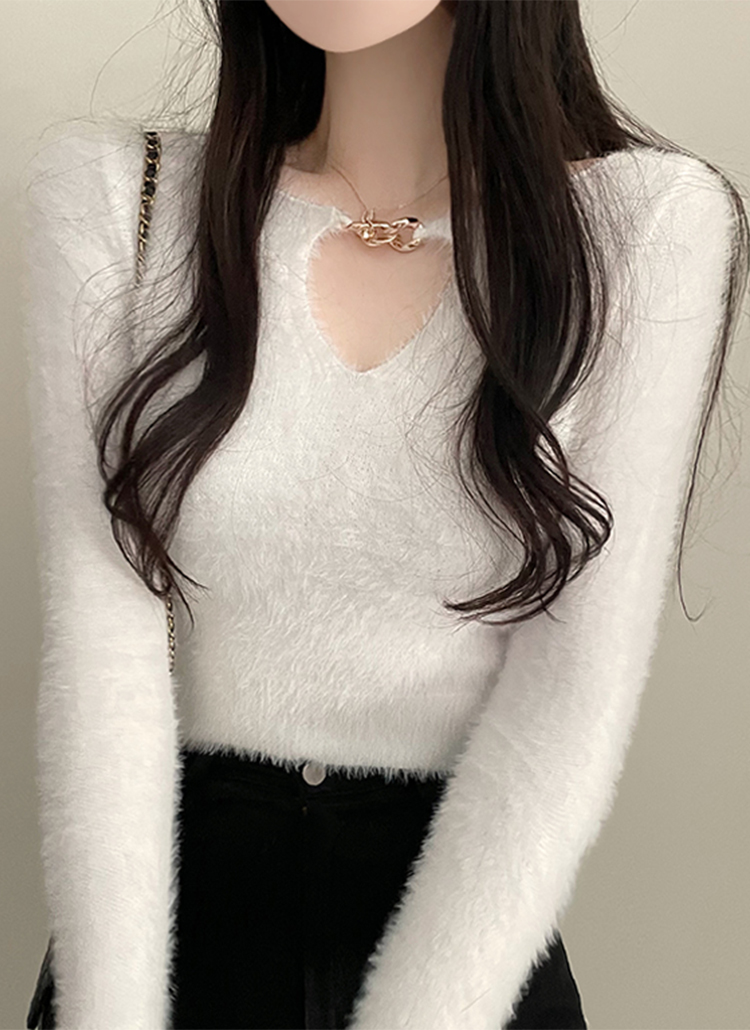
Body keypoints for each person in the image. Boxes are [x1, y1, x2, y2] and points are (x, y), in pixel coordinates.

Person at [21, 2, 746, 1028]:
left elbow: (576, 685)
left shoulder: (643, 226)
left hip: (466, 949)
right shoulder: (119, 200)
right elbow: (100, 648)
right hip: (169, 934)